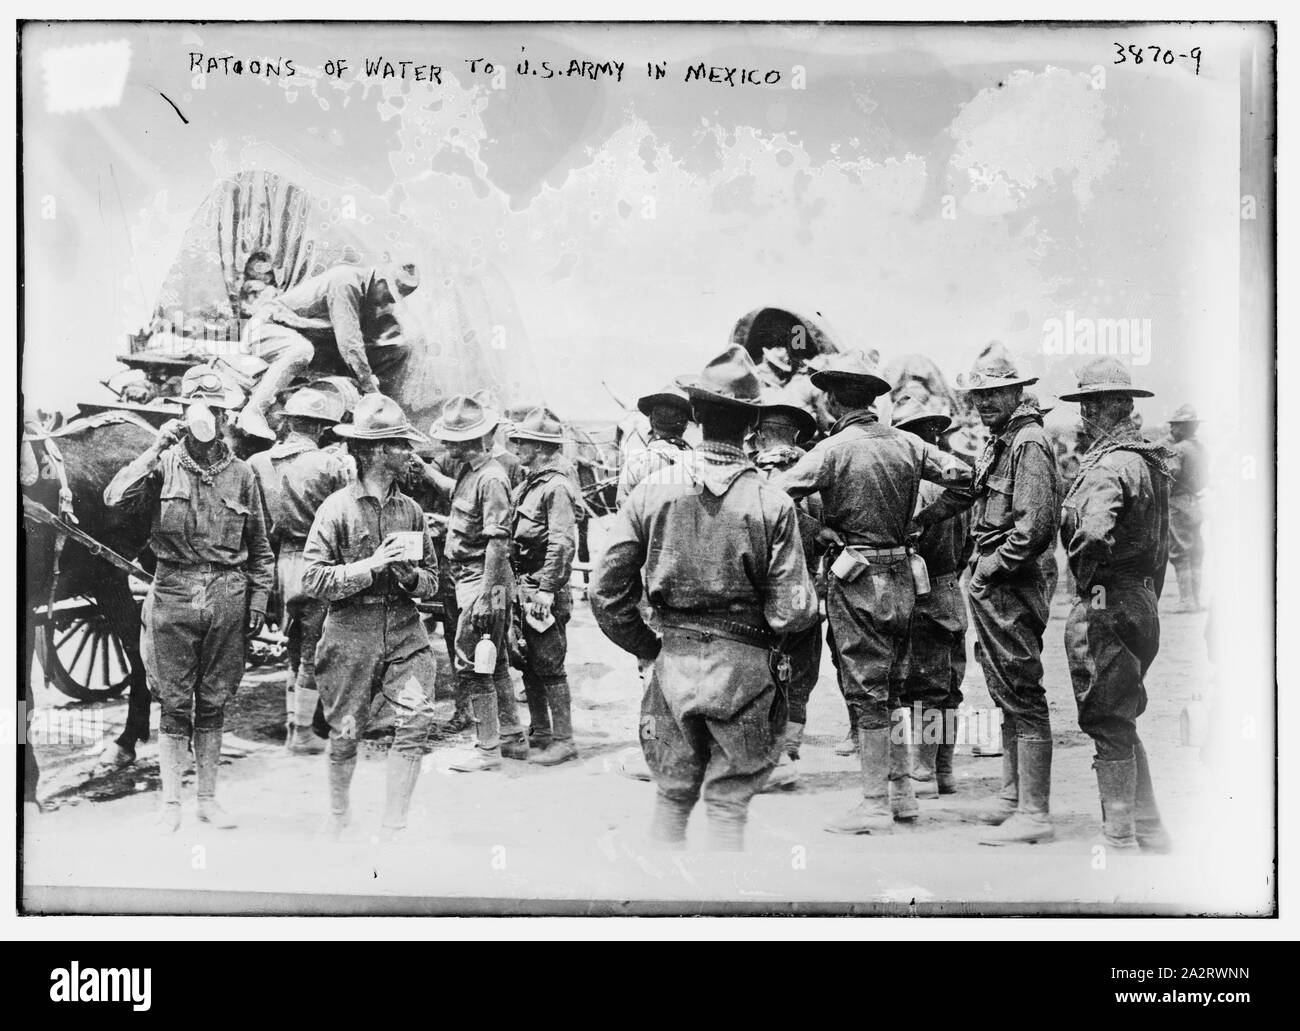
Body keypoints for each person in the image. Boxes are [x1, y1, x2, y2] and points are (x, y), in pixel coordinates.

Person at [591, 347, 819, 851]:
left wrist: (649, 646)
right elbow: (793, 610)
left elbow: (606, 592)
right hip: (746, 670)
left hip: (670, 665)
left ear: (696, 416)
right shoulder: (773, 502)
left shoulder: (651, 491)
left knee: (671, 798)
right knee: (728, 807)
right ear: (752, 426)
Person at [775, 352, 970, 835]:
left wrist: (818, 532)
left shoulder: (832, 450)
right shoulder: (908, 443)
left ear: (835, 399)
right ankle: (902, 795)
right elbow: (966, 480)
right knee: (898, 686)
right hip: (905, 574)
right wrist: (921, 520)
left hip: (855, 577)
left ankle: (873, 806)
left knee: (865, 692)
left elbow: (775, 497)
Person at [104, 367, 274, 831]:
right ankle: (171, 805)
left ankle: (207, 800)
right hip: (173, 593)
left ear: (226, 417)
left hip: (226, 596)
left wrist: (257, 601)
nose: (210, 419)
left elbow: (260, 549)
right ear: (184, 412)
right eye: (201, 409)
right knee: (174, 704)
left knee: (214, 702)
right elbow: (114, 499)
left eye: (218, 411)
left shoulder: (242, 474)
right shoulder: (161, 465)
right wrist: (154, 448)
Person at [915, 342, 1060, 845]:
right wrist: (921, 520)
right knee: (1003, 687)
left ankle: (1034, 812)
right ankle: (1013, 796)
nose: (982, 403)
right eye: (976, 395)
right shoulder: (1002, 441)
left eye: (993, 393)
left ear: (1018, 391)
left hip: (1011, 580)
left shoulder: (1029, 443)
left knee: (1022, 690)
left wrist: (987, 569)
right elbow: (967, 493)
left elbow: (1035, 527)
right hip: (997, 582)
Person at [301, 393, 439, 840]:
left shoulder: (412, 510)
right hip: (349, 634)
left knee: (415, 723)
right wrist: (371, 566)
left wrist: (411, 577)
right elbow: (313, 580)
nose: (409, 453)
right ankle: (339, 817)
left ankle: (394, 826)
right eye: (401, 445)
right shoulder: (336, 509)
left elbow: (433, 583)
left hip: (405, 632)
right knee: (344, 734)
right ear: (378, 450)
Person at [1058, 358, 1173, 853]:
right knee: (1121, 715)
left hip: (1108, 601)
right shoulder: (1148, 459)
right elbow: (1162, 545)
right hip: (1140, 600)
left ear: (1111, 408)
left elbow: (1091, 533)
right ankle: (1147, 828)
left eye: (1091, 406)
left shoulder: (1109, 465)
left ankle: (1120, 838)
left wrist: (1089, 588)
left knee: (1106, 718)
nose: (1085, 417)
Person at [248, 387, 352, 754]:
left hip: (281, 564)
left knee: (295, 647)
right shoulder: (331, 465)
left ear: (289, 422)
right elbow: (348, 518)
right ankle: (304, 732)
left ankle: (297, 722)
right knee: (313, 651)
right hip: (319, 562)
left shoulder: (258, 463)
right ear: (322, 428)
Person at [427, 394, 527, 771]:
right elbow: (457, 503)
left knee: (472, 663)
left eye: (452, 441)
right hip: (473, 577)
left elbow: (498, 543)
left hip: (482, 580)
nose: (447, 447)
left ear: (468, 441)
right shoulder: (471, 473)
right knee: (495, 660)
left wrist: (486, 596)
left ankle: (487, 750)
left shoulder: (491, 478)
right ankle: (513, 738)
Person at [891, 397, 973, 797]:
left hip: (917, 589)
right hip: (951, 588)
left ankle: (921, 772)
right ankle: (943, 771)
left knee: (919, 685)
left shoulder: (911, 484)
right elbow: (970, 543)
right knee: (948, 685)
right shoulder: (960, 478)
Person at [237, 262, 420, 440]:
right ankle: (253, 411)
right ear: (380, 281)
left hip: (302, 336)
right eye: (388, 296)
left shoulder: (368, 299)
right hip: (268, 327)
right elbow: (349, 342)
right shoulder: (346, 282)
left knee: (396, 350)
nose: (385, 303)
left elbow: (367, 345)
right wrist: (369, 386)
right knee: (301, 350)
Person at [752, 388, 827, 790]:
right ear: (797, 435)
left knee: (761, 670)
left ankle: (768, 756)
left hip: (760, 594)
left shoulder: (750, 476)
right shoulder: (818, 473)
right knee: (800, 673)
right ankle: (788, 752)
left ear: (761, 434)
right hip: (808, 591)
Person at [507, 408, 582, 765]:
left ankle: (564, 740)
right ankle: (541, 732)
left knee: (549, 662)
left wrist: (547, 590)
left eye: (521, 441)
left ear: (538, 447)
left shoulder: (556, 487)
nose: (516, 446)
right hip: (526, 584)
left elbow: (562, 541)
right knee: (528, 661)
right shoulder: (530, 485)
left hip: (542, 587)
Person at [1161, 404, 1207, 611]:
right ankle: (1196, 599)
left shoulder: (1179, 450)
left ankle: (1187, 601)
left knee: (1180, 553)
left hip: (1177, 503)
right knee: (1196, 552)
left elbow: (1169, 477)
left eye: (1175, 426)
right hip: (1194, 503)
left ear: (1185, 427)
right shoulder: (1200, 448)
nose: (1172, 430)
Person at [616, 383, 693, 506]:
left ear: (651, 421)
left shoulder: (636, 462)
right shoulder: (698, 463)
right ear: (685, 425)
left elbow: (624, 508)